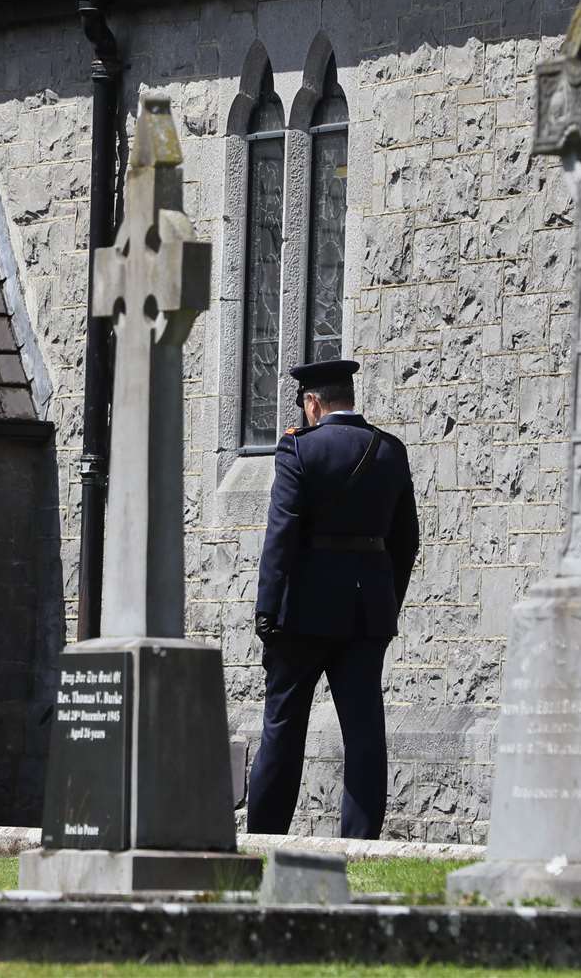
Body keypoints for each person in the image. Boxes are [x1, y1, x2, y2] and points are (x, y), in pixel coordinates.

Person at [245, 359, 419, 839]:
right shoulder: (390, 451)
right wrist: (387, 603)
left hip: (301, 612)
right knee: (364, 732)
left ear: (313, 403)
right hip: (368, 614)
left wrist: (266, 611)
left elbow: (281, 536)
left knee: (283, 728)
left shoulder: (298, 449)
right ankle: (361, 842)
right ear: (349, 397)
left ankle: (264, 834)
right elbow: (406, 541)